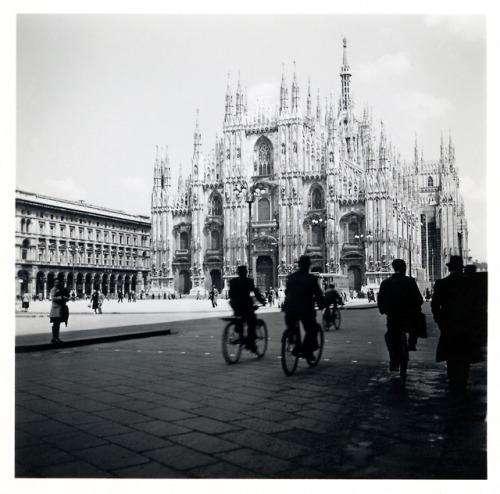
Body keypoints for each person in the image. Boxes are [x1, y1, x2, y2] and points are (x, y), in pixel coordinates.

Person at [431, 256, 483, 396]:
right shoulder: (470, 284)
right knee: (465, 356)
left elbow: (435, 305)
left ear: (449, 268)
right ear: (462, 268)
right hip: (466, 325)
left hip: (449, 325)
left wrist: (440, 320)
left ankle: (453, 381)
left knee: (451, 354)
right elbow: (477, 306)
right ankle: (463, 383)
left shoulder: (441, 283)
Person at [377, 259, 423, 371]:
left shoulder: (386, 282)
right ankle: (412, 342)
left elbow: (380, 299)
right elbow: (418, 299)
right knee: (417, 323)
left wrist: (383, 310)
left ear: (393, 268)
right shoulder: (410, 281)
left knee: (391, 335)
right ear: (405, 268)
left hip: (393, 315)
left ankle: (393, 361)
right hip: (408, 315)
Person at [282, 255, 324, 361]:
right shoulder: (311, 278)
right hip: (305, 308)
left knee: (292, 326)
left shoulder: (291, 277)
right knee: (312, 329)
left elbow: (287, 292)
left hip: (289, 307)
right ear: (309, 266)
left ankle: (293, 341)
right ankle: (307, 351)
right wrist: (321, 304)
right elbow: (318, 294)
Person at [228, 265, 266, 353]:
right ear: (246, 272)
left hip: (235, 304)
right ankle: (251, 345)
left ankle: (239, 333)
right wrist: (262, 301)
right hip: (245, 305)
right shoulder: (248, 281)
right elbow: (256, 292)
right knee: (252, 323)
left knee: (239, 317)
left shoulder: (233, 281)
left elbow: (230, 294)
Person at [49, 279, 69, 344]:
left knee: (58, 324)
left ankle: (56, 337)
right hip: (55, 309)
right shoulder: (53, 290)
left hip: (60, 309)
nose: (57, 283)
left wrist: (66, 298)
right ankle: (55, 338)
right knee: (56, 324)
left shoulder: (60, 289)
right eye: (55, 282)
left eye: (58, 282)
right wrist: (63, 297)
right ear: (53, 283)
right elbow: (54, 298)